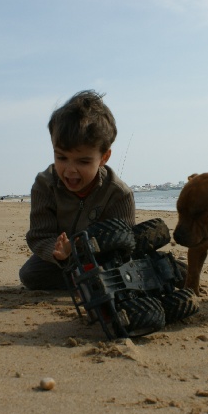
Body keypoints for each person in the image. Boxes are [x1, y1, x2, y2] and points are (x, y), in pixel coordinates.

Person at [19, 90, 135, 290]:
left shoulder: (118, 193)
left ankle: (95, 281)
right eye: (61, 158)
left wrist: (88, 248)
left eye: (83, 161)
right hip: (62, 262)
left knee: (127, 271)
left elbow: (124, 243)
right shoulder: (44, 185)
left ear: (104, 158)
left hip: (103, 260)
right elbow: (39, 235)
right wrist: (58, 251)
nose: (70, 170)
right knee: (30, 275)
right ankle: (86, 282)